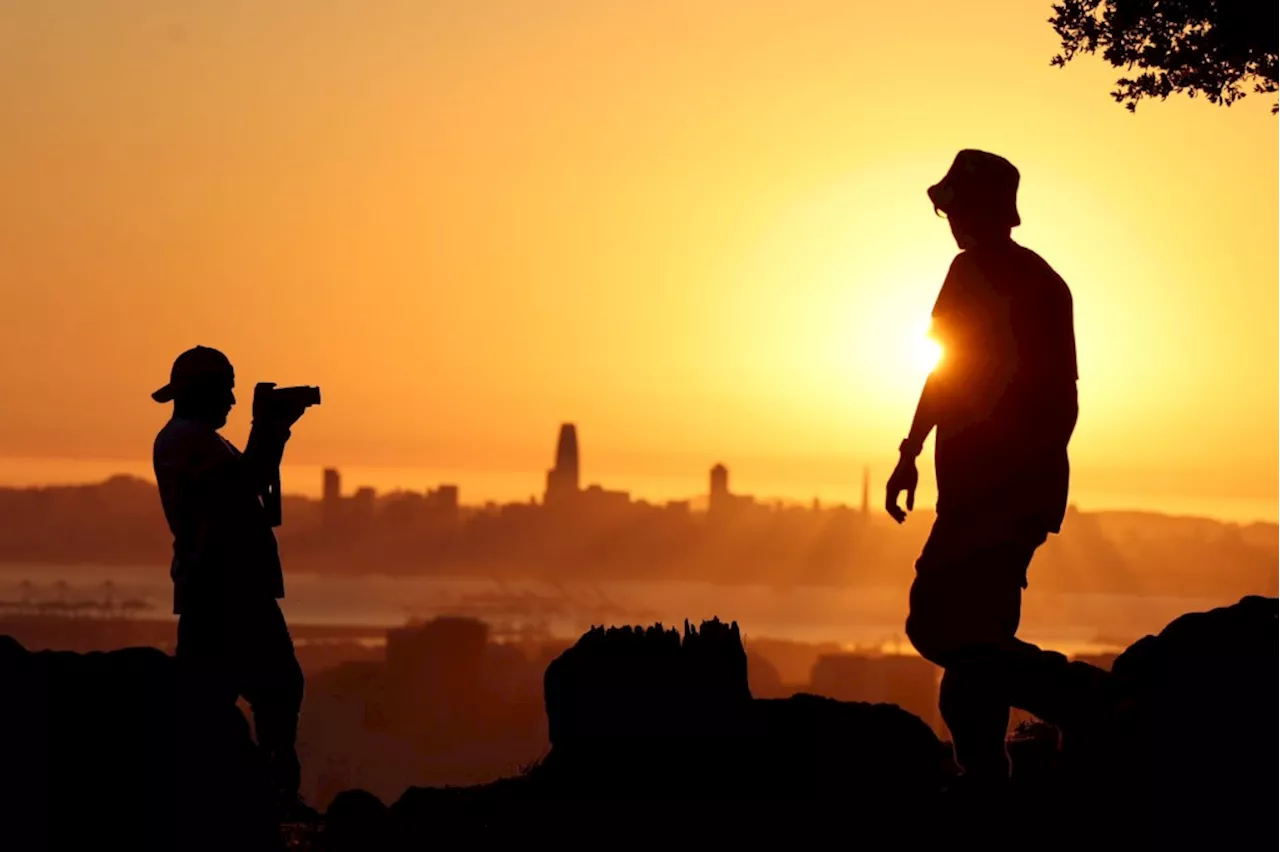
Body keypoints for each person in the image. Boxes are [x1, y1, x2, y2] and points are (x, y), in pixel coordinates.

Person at [885, 150, 1095, 785]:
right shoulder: (982, 273)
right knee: (975, 648)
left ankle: (1078, 699)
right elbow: (946, 369)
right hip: (983, 491)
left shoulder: (1022, 281)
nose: (950, 222)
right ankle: (987, 778)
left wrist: (1006, 481)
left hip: (999, 495)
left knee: (942, 626)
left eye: (956, 209)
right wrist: (911, 450)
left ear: (981, 212)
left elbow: (1060, 402)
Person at [150, 345, 313, 818]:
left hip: (230, 589)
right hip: (221, 592)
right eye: (226, 390)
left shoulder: (198, 439)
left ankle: (257, 796)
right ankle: (255, 800)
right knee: (251, 695)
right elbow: (240, 485)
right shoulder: (185, 440)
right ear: (201, 392)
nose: (232, 402)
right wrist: (270, 428)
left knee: (264, 693)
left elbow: (249, 481)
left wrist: (272, 431)